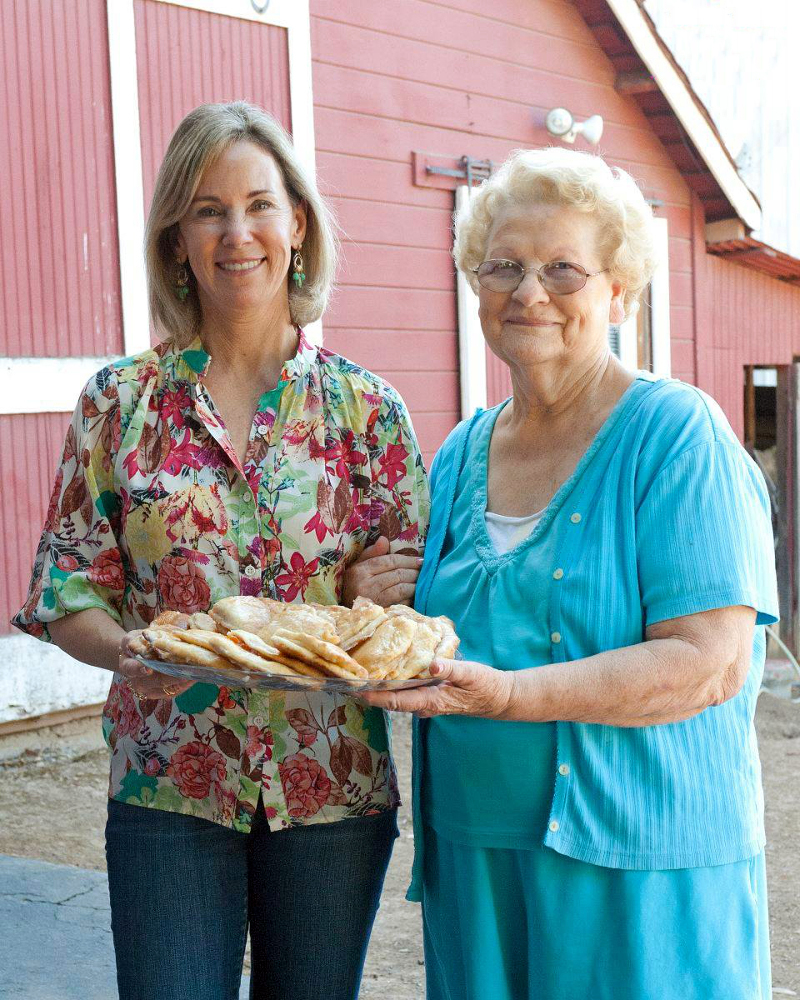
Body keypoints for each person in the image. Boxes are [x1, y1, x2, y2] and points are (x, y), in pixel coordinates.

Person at [12, 101, 428, 1000]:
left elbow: (411, 613)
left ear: (299, 224)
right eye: (208, 209)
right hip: (169, 781)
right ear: (177, 240)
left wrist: (369, 597)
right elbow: (67, 585)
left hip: (331, 786)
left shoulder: (369, 412)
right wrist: (129, 649)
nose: (238, 233)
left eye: (260, 204)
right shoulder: (118, 403)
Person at [360, 147, 778, 1000]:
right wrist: (375, 601)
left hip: (641, 863)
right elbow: (438, 618)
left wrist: (513, 696)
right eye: (504, 266)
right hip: (475, 858)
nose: (529, 292)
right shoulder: (458, 453)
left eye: (563, 269)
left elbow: (709, 663)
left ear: (619, 291)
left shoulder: (675, 436)